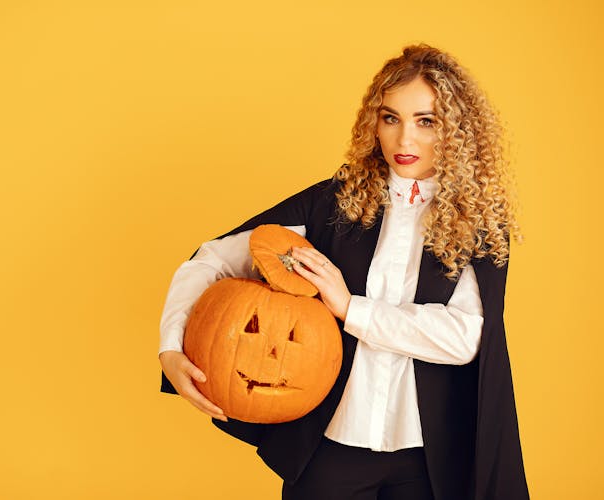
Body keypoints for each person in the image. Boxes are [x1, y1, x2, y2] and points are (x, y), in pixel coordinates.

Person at [158, 44, 530, 500]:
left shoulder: (479, 221)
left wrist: (349, 307)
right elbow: (212, 258)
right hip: (330, 445)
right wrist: (170, 347)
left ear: (457, 130)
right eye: (390, 118)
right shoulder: (332, 202)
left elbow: (465, 338)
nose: (403, 140)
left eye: (426, 121)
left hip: (432, 458)